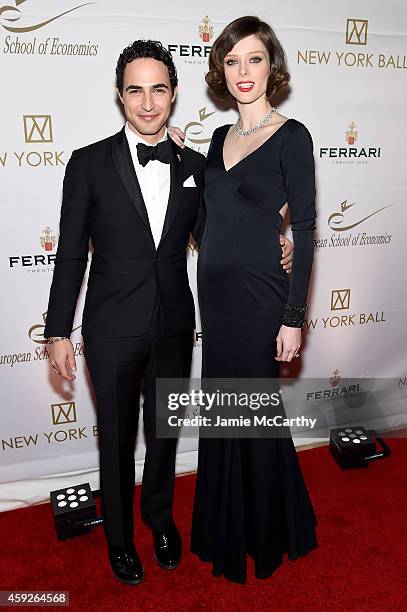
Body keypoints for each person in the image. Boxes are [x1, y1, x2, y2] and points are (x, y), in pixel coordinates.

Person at [44, 39, 294, 586]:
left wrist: (278, 241)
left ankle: (159, 520)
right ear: (120, 96)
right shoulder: (87, 163)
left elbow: (219, 235)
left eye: (159, 89)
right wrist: (57, 329)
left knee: (163, 433)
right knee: (114, 438)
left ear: (174, 94)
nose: (148, 102)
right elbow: (69, 252)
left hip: (175, 325)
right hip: (110, 327)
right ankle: (118, 539)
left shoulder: (195, 164)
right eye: (136, 90)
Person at [170, 15, 318, 584]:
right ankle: (227, 528)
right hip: (216, 292)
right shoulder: (216, 140)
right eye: (232, 61)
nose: (243, 71)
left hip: (262, 297)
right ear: (221, 71)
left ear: (271, 65)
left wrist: (293, 316)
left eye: (254, 59)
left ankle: (270, 530)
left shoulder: (292, 135)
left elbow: (303, 227)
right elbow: (206, 228)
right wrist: (188, 164)